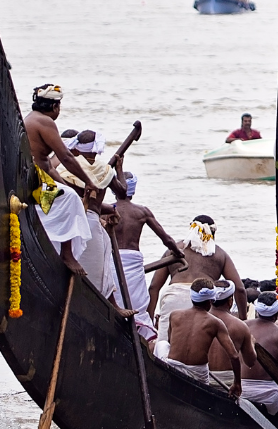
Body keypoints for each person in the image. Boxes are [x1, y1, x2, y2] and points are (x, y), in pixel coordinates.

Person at [24, 84, 100, 276]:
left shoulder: (32, 118)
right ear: (55, 106)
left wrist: (68, 186)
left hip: (38, 179)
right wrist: (89, 182)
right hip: (36, 185)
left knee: (69, 194)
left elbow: (49, 166)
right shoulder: (45, 121)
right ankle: (67, 254)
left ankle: (53, 247)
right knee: (71, 200)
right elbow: (65, 157)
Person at [97, 172, 179, 340]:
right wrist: (178, 252)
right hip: (132, 264)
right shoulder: (141, 212)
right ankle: (141, 337)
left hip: (114, 261)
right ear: (133, 191)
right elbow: (167, 239)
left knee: (114, 299)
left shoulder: (105, 210)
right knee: (137, 306)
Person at [159, 280, 243, 396]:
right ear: (211, 301)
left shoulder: (174, 315)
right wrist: (237, 383)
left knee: (161, 344)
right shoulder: (216, 323)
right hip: (198, 374)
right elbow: (234, 356)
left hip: (174, 367)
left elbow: (169, 342)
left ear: (192, 298)